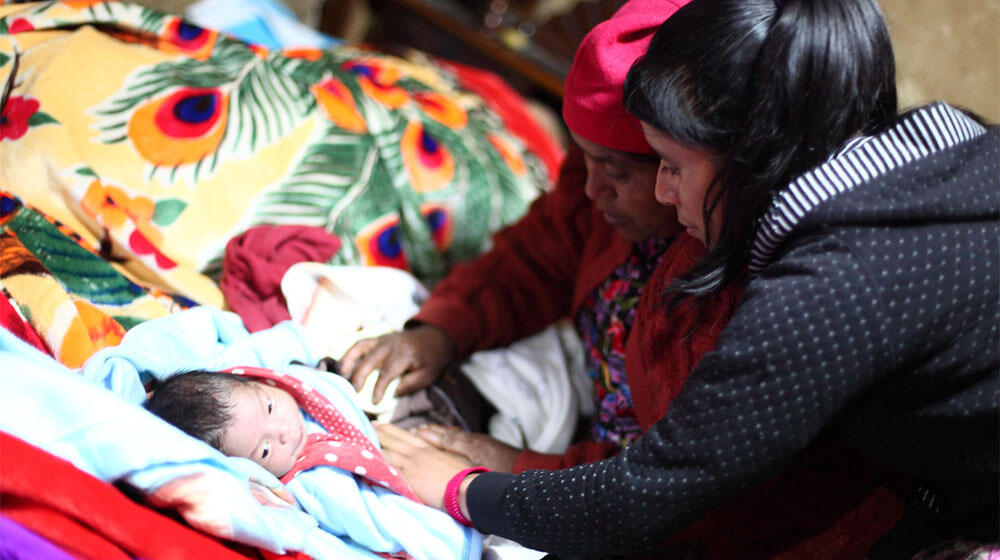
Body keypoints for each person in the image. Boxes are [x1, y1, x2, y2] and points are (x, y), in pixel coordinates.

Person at [375, 0, 999, 557]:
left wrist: (466, 488)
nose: (666, 190)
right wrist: (443, 327)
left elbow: (659, 491)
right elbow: (543, 248)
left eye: (666, 165)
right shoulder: (954, 143)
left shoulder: (822, 287)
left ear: (750, 152)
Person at [145, 366, 482, 559]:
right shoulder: (316, 484)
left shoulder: (292, 386)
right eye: (263, 451)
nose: (283, 431)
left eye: (269, 407)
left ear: (259, 382)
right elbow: (370, 520)